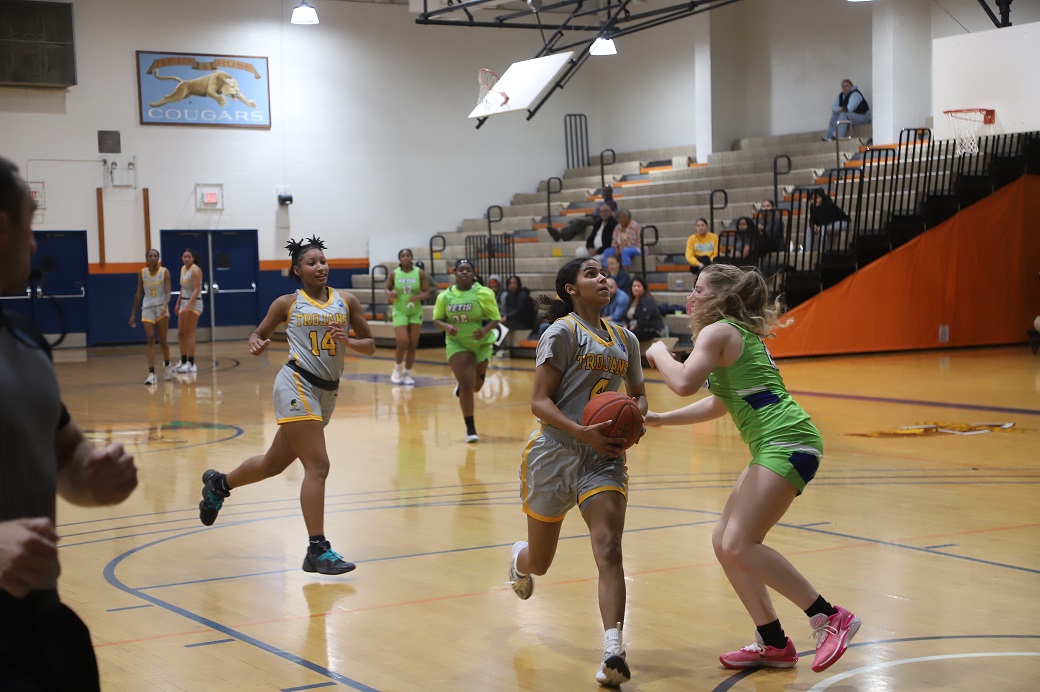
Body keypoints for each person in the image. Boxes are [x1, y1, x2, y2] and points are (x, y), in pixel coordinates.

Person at [643, 264, 860, 674]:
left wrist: (655, 352)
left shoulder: (718, 332)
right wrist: (659, 419)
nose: (692, 296)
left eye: (699, 289)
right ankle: (774, 642)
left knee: (741, 542)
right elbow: (720, 402)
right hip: (777, 442)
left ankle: (830, 617)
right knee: (724, 541)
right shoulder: (735, 335)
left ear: (721, 298)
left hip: (787, 440)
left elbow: (685, 382)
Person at [0, 155, 139, 689]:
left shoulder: (28, 344)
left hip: (39, 627)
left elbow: (64, 456)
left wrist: (92, 471)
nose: (35, 245)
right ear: (3, 226)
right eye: (31, 224)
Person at [196, 236, 375, 576]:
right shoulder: (286, 303)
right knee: (318, 466)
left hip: (327, 392)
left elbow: (370, 346)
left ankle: (220, 485)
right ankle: (317, 549)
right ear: (298, 270)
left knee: (271, 465)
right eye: (311, 263)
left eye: (322, 261)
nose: (319, 266)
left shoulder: (347, 300)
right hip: (296, 383)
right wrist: (257, 343)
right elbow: (258, 333)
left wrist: (348, 340)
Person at [507, 256, 648, 687]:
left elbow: (638, 397)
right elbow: (540, 403)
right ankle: (519, 561)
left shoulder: (626, 339)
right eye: (591, 274)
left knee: (609, 548)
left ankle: (613, 650)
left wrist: (634, 424)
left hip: (603, 457)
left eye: (604, 273)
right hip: (554, 452)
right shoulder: (563, 332)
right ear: (571, 288)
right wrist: (581, 432)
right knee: (542, 562)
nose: (603, 278)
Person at [432, 258, 501, 443]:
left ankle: (462, 388)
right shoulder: (444, 296)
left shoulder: (483, 293)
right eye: (460, 269)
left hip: (482, 343)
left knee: (476, 386)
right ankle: (470, 428)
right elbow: (436, 319)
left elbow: (495, 318)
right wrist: (447, 327)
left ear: (473, 273)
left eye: (468, 269)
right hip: (457, 343)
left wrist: (485, 330)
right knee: (467, 384)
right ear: (454, 273)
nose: (464, 272)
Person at [385, 248, 430, 386]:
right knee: (403, 341)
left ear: (411, 258)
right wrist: (390, 293)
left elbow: (427, 292)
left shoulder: (419, 273)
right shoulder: (394, 274)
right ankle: (397, 369)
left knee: (413, 343)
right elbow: (387, 288)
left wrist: (418, 297)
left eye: (408, 255)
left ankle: (407, 373)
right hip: (400, 310)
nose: (405, 258)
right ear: (400, 259)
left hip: (415, 310)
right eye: (403, 256)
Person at [128, 248, 172, 384]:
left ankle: (167, 365)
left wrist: (165, 304)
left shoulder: (164, 272)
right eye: (150, 256)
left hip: (161, 308)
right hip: (147, 308)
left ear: (158, 258)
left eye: (155, 255)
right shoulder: (142, 273)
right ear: (147, 258)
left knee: (163, 341)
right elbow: (138, 294)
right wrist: (133, 314)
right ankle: (151, 374)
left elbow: (168, 292)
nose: (153, 258)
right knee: (151, 339)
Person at [173, 248, 203, 373]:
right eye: (184, 256)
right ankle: (183, 361)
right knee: (181, 333)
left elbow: (196, 290)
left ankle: (191, 363)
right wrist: (178, 303)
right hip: (184, 301)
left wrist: (188, 306)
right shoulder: (182, 269)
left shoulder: (195, 270)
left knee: (189, 333)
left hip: (194, 303)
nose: (186, 259)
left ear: (193, 258)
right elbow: (183, 288)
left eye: (189, 257)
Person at [806, 190, 850, 254]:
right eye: (812, 198)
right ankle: (808, 252)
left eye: (817, 197)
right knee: (809, 229)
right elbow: (812, 219)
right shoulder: (813, 206)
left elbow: (826, 219)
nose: (815, 200)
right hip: (826, 224)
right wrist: (813, 225)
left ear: (822, 197)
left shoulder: (829, 204)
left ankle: (821, 252)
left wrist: (817, 226)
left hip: (842, 222)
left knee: (822, 228)